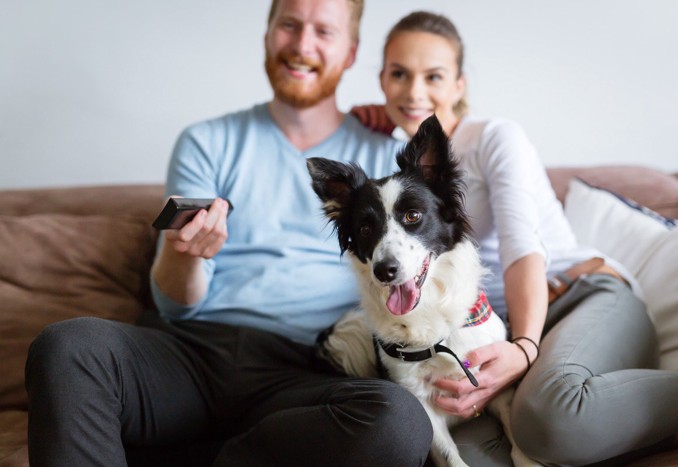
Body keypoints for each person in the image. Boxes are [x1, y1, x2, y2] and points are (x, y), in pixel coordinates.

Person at [23, 1, 435, 466]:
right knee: (68, 347)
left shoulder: (388, 155)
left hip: (308, 371)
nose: (302, 45)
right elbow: (175, 302)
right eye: (289, 25)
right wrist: (188, 254)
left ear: (351, 53)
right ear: (267, 34)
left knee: (398, 422)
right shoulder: (207, 141)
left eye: (324, 32)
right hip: (190, 355)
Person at [352, 11, 678, 466]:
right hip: (494, 328)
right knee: (479, 455)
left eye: (433, 75)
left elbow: (523, 251)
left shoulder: (496, 138)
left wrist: (524, 348)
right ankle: (659, 436)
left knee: (551, 414)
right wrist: (352, 119)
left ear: (459, 84)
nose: (415, 91)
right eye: (400, 74)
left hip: (579, 293)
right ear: (382, 81)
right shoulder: (394, 172)